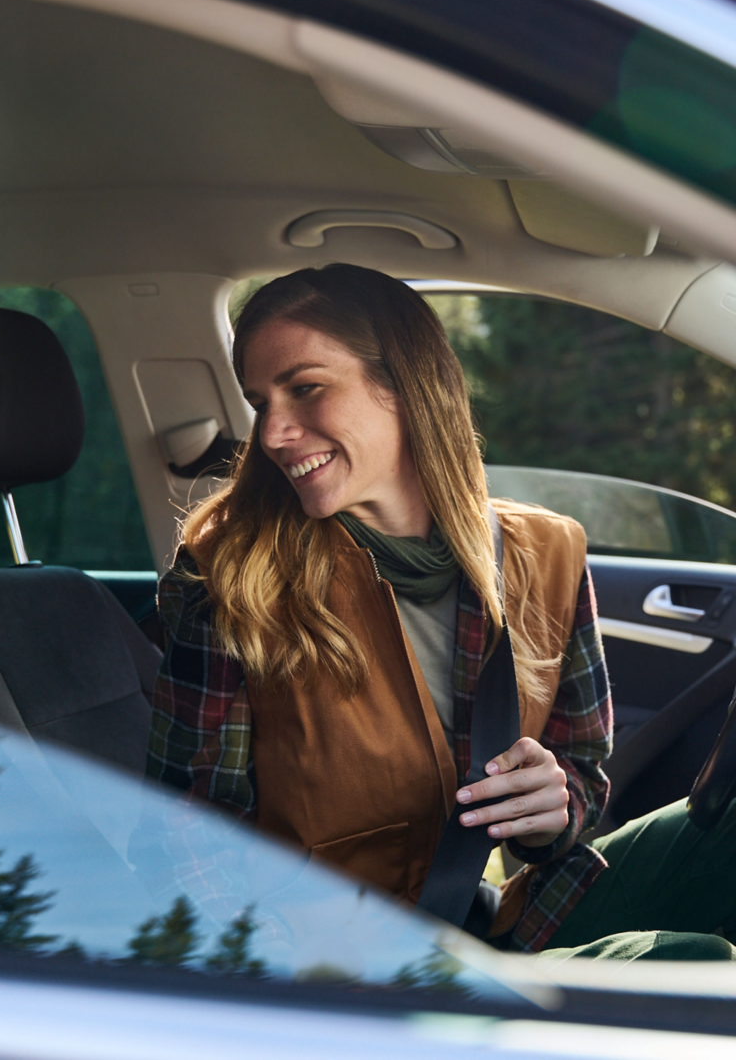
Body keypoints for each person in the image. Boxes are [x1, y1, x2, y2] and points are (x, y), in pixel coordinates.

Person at [147, 264, 736, 960]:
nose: (272, 432)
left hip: (487, 918)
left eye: (305, 389)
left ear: (405, 385)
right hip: (345, 969)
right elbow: (183, 837)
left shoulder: (547, 553)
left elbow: (580, 772)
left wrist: (552, 811)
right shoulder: (233, 577)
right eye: (260, 401)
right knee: (691, 964)